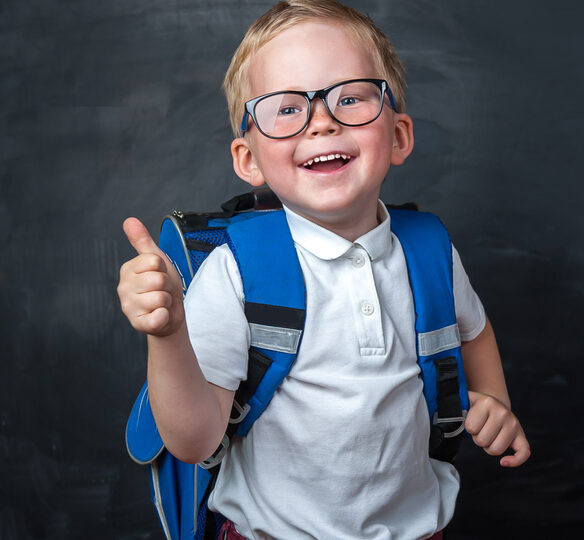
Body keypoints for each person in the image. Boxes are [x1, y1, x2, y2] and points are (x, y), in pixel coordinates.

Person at [116, 1, 530, 538]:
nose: (322, 121)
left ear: (399, 135)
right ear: (250, 160)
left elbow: (473, 331)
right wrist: (169, 336)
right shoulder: (236, 271)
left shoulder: (429, 251)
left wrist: (495, 400)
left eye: (351, 97)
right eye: (286, 109)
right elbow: (193, 443)